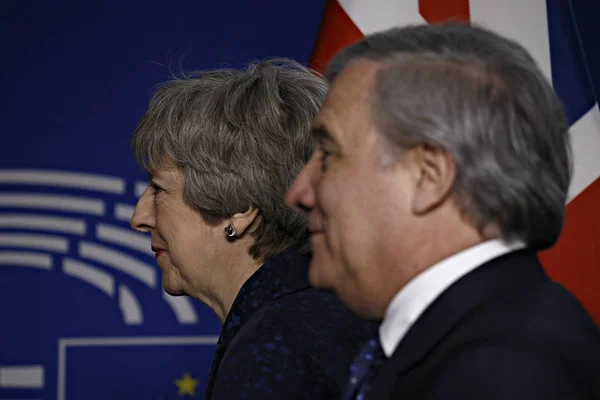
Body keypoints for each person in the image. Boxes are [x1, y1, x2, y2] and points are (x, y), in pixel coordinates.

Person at [286, 23, 600, 400]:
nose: (298, 193)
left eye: (328, 155)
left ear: (428, 177)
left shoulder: (497, 371)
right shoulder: (483, 339)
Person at [129, 59, 376, 399]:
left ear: (238, 209)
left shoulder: (280, 348)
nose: (139, 217)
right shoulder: (323, 316)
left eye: (159, 189)